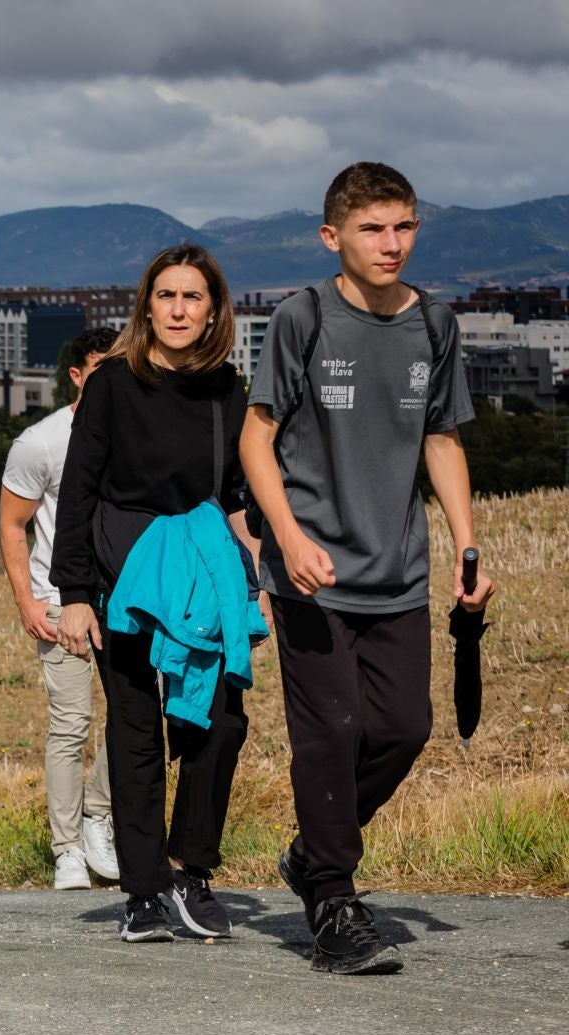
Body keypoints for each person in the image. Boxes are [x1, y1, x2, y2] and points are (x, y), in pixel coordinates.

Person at [239, 163, 492, 976]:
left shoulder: (436, 325)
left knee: (404, 728)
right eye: (373, 228)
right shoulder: (301, 317)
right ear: (333, 236)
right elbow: (256, 436)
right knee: (333, 730)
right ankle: (334, 905)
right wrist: (286, 536)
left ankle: (316, 853)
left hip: (400, 572)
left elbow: (442, 439)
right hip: (310, 571)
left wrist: (467, 544)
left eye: (404, 227)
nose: (391, 244)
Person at [54, 245, 261, 945]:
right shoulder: (112, 383)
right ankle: (143, 891)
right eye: (165, 296)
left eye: (191, 298)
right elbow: (79, 488)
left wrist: (256, 581)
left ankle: (190, 871)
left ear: (212, 312)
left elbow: (238, 494)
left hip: (203, 573)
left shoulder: (228, 389)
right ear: (147, 306)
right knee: (135, 729)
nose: (177, 309)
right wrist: (76, 592)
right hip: (127, 574)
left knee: (219, 722)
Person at [0, 328, 122, 890]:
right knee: (71, 725)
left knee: (136, 719)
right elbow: (11, 524)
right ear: (76, 375)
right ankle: (67, 848)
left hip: (125, 598)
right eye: (99, 368)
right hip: (58, 598)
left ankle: (100, 815)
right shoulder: (42, 441)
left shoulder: (138, 434)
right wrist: (27, 600)